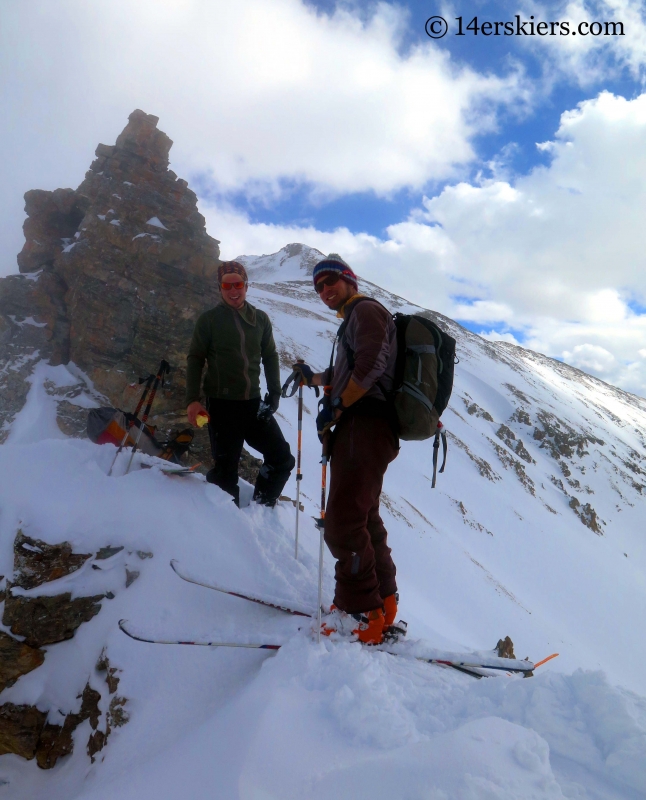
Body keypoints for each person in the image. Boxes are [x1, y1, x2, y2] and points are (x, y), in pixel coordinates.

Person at [293, 254, 400, 645]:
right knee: (364, 516)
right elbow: (348, 371)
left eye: (331, 281)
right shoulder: (354, 319)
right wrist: (315, 379)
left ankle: (359, 615)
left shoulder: (365, 311)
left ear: (350, 280)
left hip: (364, 424)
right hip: (368, 427)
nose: (325, 291)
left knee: (342, 521)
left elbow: (371, 365)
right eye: (319, 286)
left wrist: (338, 406)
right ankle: (382, 605)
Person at [186, 261, 295, 508]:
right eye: (227, 285)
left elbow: (270, 356)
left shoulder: (260, 319)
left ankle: (262, 508)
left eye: (238, 284)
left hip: (253, 404)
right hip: (222, 406)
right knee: (226, 474)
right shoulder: (210, 320)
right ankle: (229, 527)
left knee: (282, 459)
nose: (233, 290)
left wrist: (275, 394)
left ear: (246, 285)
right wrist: (192, 399)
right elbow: (195, 358)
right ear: (220, 288)